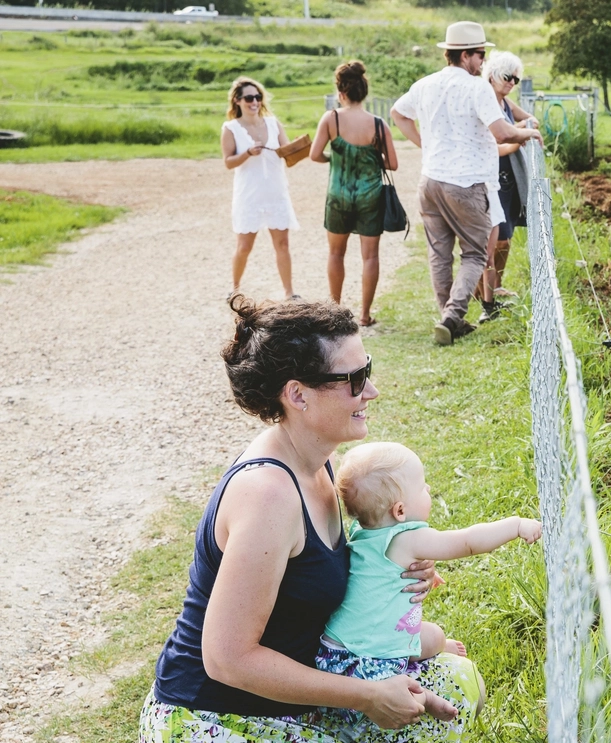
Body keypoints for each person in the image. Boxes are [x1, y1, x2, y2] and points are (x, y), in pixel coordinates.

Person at [140, 296, 482, 742]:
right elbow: (227, 659)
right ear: (297, 394)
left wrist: (397, 559)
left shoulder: (316, 457)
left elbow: (313, 579)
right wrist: (367, 695)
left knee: (455, 680)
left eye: (368, 371)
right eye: (355, 380)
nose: (371, 392)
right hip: (216, 717)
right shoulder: (268, 495)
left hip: (291, 697)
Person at [315, 442, 541, 731]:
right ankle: (426, 698)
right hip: (367, 661)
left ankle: (429, 658)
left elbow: (379, 574)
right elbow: (466, 542)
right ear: (399, 510)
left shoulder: (363, 532)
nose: (429, 489)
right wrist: (516, 525)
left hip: (334, 651)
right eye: (422, 487)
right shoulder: (407, 539)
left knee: (434, 635)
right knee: (405, 678)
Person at [391, 21, 542, 346]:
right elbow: (502, 132)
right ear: (467, 56)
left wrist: (424, 145)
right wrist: (528, 131)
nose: (482, 61)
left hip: (430, 180)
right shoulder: (476, 88)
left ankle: (449, 319)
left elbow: (397, 113)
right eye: (480, 54)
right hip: (467, 183)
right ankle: (452, 316)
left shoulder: (426, 84)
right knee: (475, 254)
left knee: (439, 254)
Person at [310, 61, 399, 328]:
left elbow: (315, 155)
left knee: (336, 253)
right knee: (370, 256)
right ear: (364, 92)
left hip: (338, 195)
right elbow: (392, 164)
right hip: (370, 196)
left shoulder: (331, 119)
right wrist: (368, 160)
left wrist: (337, 159)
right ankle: (365, 315)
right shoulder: (379, 124)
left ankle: (335, 312)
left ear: (341, 92)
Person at [221, 77, 300, 301]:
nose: (254, 101)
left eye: (257, 97)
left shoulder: (273, 123)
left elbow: (286, 153)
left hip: (276, 192)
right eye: (249, 98)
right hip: (249, 195)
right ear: (237, 101)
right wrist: (247, 153)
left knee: (282, 244)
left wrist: (296, 147)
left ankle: (289, 292)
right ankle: (234, 289)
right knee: (244, 246)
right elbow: (228, 162)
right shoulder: (231, 128)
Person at [477, 51, 537, 324]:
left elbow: (529, 118)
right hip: (493, 176)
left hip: (508, 178)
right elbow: (493, 146)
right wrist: (521, 138)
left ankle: (495, 285)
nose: (512, 82)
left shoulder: (503, 102)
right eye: (507, 77)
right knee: (494, 239)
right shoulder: (487, 101)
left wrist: (524, 126)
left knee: (506, 236)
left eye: (516, 78)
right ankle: (483, 292)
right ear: (491, 75)